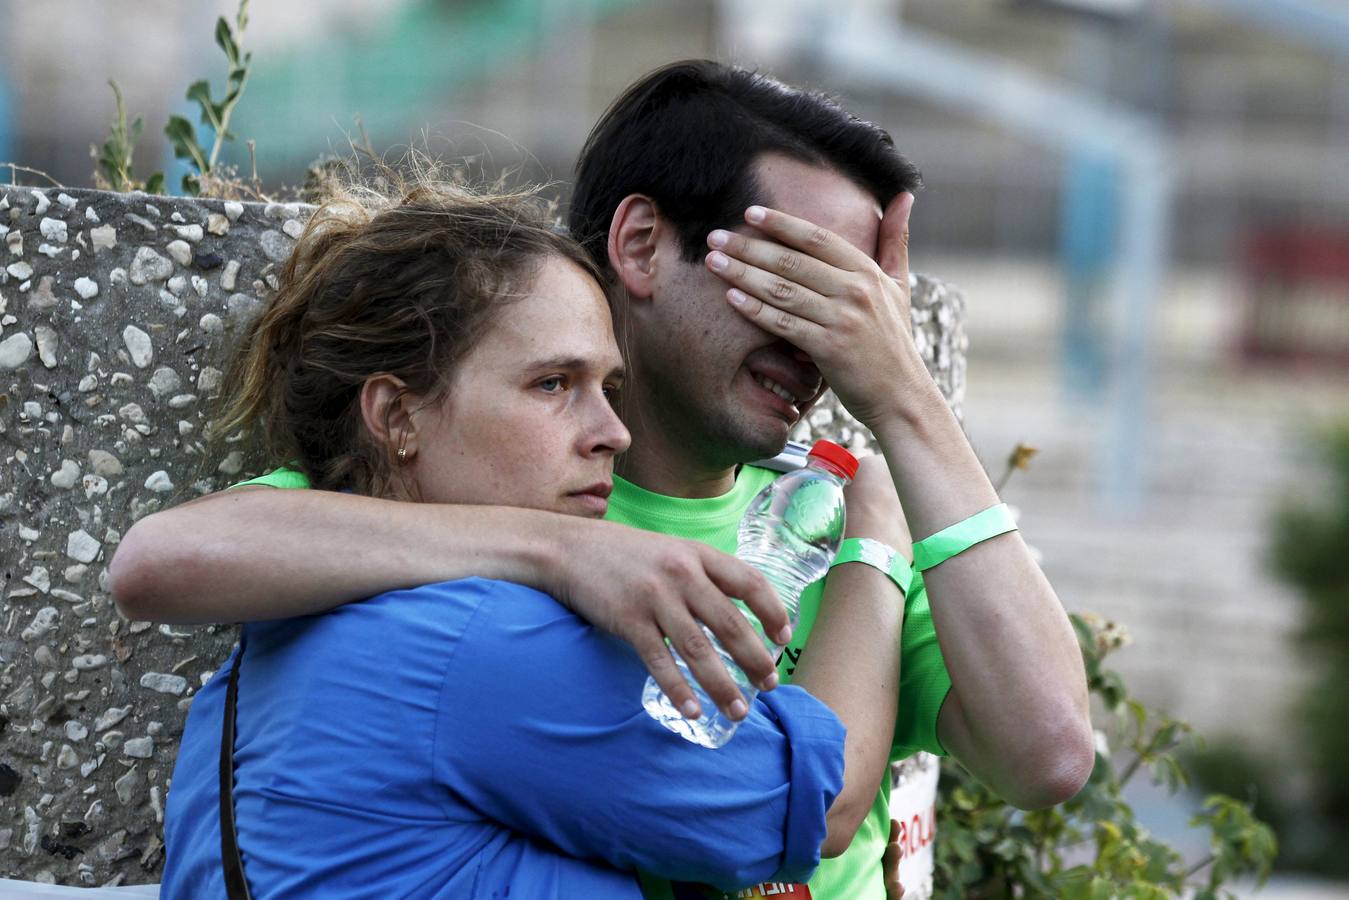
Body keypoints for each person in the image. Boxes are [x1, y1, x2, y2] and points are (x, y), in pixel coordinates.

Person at [117, 61, 1094, 900]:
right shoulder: (481, 492)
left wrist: (907, 401)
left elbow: (1050, 751)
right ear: (639, 245)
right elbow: (166, 559)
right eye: (794, 280)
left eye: (857, 307)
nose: (825, 342)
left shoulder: (840, 513)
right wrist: (561, 551)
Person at [160, 179, 890, 898]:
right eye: (551, 384)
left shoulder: (289, 625)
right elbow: (813, 805)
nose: (613, 432)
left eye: (607, 387)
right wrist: (873, 544)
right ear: (398, 416)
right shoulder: (481, 640)